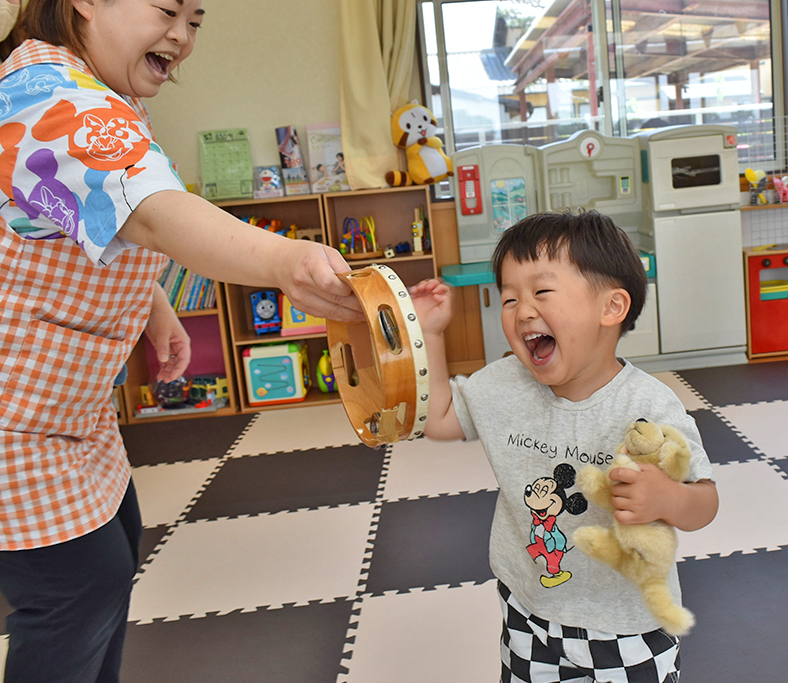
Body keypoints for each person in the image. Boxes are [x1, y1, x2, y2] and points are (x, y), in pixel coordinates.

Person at [0, 2, 361, 682]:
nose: (182, 37)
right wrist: (285, 263)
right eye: (167, 9)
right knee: (79, 588)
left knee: (110, 561)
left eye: (196, 19)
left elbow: (82, 217)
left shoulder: (94, 90)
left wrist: (153, 302)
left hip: (72, 415)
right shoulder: (44, 94)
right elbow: (157, 214)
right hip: (16, 423)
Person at [410, 210, 719, 683]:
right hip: (530, 610)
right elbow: (441, 418)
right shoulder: (506, 383)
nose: (521, 310)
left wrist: (669, 498)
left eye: (542, 291)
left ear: (611, 308)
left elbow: (705, 502)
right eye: (508, 297)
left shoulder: (647, 406)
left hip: (627, 624)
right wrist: (429, 335)